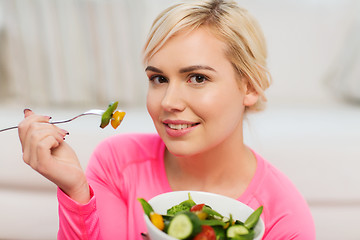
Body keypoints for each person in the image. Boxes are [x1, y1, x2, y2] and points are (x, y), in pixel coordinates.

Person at [18, 0, 316, 239]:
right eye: (159, 78)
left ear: (249, 86)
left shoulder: (285, 219)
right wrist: (78, 193)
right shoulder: (117, 163)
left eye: (197, 78)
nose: (169, 102)